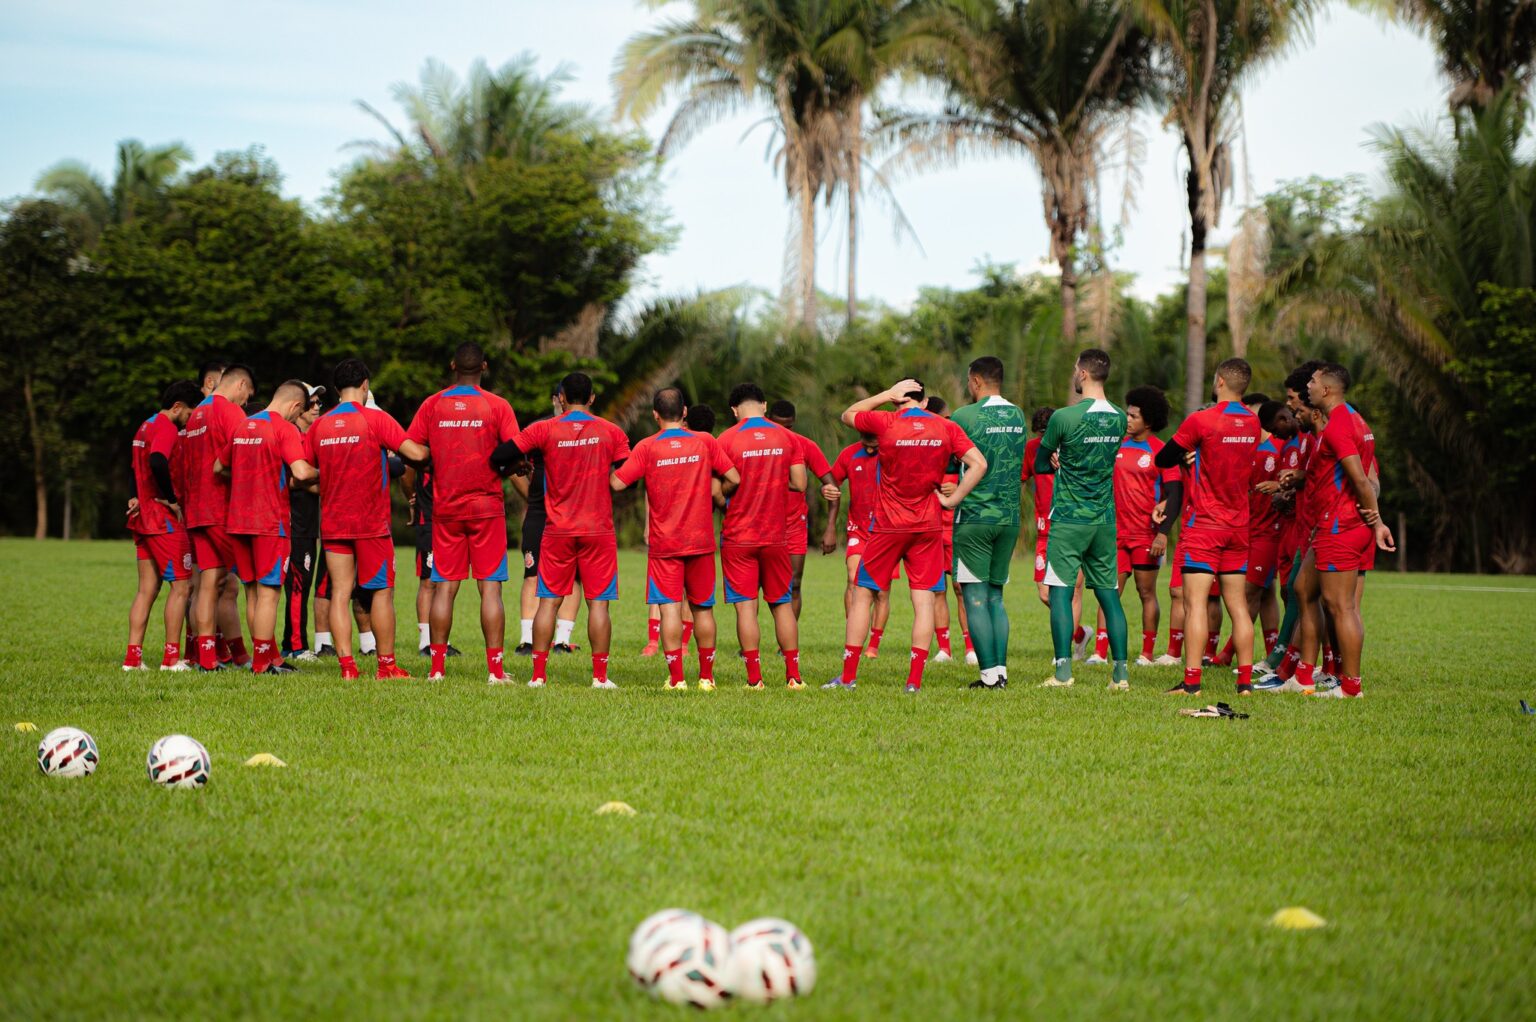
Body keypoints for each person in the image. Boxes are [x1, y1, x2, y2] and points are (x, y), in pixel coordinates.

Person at [830, 378, 985, 693]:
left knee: (862, 595)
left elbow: (848, 414)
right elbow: (979, 463)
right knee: (924, 601)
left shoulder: (886, 420)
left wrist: (886, 394)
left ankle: (847, 678)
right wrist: (954, 499)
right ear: (925, 402)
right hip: (927, 525)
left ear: (897, 400)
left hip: (888, 525)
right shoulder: (945, 427)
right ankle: (913, 682)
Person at [497, 372, 630, 688]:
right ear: (592, 398)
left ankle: (538, 676)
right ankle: (599, 678)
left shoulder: (544, 428)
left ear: (561, 398)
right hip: (597, 529)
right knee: (598, 604)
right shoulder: (611, 431)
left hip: (556, 529)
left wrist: (519, 466)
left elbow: (501, 454)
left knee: (548, 601)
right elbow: (628, 471)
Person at [305, 358, 427, 680]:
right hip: (371, 523)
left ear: (335, 389)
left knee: (341, 593)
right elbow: (413, 454)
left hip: (333, 522)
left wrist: (330, 487)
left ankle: (347, 669)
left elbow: (301, 475)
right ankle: (386, 667)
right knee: (382, 593)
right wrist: (432, 450)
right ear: (365, 385)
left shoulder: (320, 425)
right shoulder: (375, 419)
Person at [407, 343, 522, 683]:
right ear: (484, 366)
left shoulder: (432, 404)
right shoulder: (497, 406)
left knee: (444, 587)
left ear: (453, 364)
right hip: (486, 508)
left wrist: (428, 468)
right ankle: (496, 671)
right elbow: (513, 453)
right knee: (490, 589)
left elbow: (413, 450)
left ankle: (437, 670)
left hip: (446, 508)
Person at [612, 387, 740, 689]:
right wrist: (720, 496)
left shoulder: (646, 447)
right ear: (684, 413)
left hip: (664, 543)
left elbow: (618, 483)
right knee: (702, 609)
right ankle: (707, 679)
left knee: (669, 608)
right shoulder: (705, 441)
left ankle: (677, 679)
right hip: (701, 541)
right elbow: (734, 477)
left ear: (655, 415)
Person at [1154, 358, 1262, 695]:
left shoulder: (1202, 420)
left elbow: (1163, 459)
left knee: (1195, 604)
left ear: (1218, 382)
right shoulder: (1254, 423)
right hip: (1239, 526)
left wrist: (1191, 454)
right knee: (1238, 606)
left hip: (1205, 525)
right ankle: (1244, 683)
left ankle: (1192, 683)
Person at [1287, 364, 1394, 698]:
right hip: (1329, 524)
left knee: (1341, 606)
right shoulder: (1351, 421)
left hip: (1341, 525)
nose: (1308, 386)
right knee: (1304, 587)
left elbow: (1362, 480)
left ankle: (1350, 687)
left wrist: (1376, 523)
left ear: (1328, 390)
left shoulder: (1340, 427)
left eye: (1313, 382)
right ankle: (1303, 675)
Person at [1035, 350, 1132, 690]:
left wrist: (1058, 460)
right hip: (1104, 519)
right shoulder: (1120, 418)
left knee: (1060, 593)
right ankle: (1120, 674)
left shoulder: (1064, 417)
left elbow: (1041, 462)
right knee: (1109, 595)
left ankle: (1063, 672)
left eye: (1076, 369)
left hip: (1069, 519)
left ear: (1084, 373)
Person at [217, 379, 318, 675]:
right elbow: (301, 471)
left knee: (252, 593)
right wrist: (327, 472)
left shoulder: (242, 425)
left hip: (238, 520)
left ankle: (269, 657)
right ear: (296, 406)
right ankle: (262, 663)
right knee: (270, 594)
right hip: (269, 522)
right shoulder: (283, 428)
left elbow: (218, 467)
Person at [717, 383, 808, 689]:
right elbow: (800, 483)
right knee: (781, 604)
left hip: (738, 536)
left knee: (746, 606)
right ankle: (793, 677)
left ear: (734, 410)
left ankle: (755, 680)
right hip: (776, 535)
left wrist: (733, 488)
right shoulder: (787, 437)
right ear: (764, 405)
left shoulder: (726, 439)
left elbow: (718, 491)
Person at [947, 357, 1026, 689]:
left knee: (974, 596)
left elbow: (953, 459)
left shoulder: (964, 416)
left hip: (975, 516)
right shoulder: (1018, 415)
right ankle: (1001, 672)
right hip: (1009, 517)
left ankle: (988, 675)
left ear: (975, 380)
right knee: (995, 596)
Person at [1086, 385, 1176, 669]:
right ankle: (1100, 651)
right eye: (1127, 414)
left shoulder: (1160, 451)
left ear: (1148, 421)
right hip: (1113, 533)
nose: (1126, 419)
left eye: (1133, 415)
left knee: (1146, 592)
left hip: (1145, 535)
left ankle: (1147, 653)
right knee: (1108, 590)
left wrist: (1163, 533)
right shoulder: (1115, 445)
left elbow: (1174, 494)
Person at [123, 380, 204, 672]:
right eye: (189, 414)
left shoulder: (144, 425)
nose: (188, 421)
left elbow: (135, 468)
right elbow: (158, 460)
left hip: (142, 517)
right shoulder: (167, 428)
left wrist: (136, 495)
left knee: (147, 589)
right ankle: (171, 659)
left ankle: (133, 659)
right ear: (178, 407)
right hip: (162, 521)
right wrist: (171, 499)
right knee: (181, 587)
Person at [181, 363, 256, 671]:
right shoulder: (229, 412)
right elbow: (247, 454)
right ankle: (261, 656)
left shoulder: (197, 412)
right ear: (240, 385)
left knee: (210, 583)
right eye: (247, 396)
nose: (246, 403)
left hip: (196, 509)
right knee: (255, 582)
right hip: (221, 509)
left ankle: (208, 658)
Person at [1212, 398, 1297, 666]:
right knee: (1266, 593)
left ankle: (1227, 654)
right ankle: (1274, 651)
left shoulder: (1280, 447)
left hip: (1270, 532)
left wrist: (1279, 486)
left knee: (1249, 592)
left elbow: (1295, 479)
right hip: (1246, 530)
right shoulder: (1245, 448)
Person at [513, 390, 583, 657]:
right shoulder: (538, 430)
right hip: (539, 515)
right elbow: (512, 467)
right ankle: (527, 639)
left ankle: (562, 640)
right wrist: (532, 495)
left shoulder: (585, 432)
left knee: (572, 577)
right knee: (533, 574)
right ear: (555, 399)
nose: (562, 404)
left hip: (573, 516)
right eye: (559, 398)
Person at [820, 431, 892, 659]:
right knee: (853, 579)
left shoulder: (894, 452)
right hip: (858, 528)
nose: (870, 450)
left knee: (881, 591)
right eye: (866, 444)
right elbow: (832, 484)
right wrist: (827, 491)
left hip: (888, 529)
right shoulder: (849, 454)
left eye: (875, 445)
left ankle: (873, 645)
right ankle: (853, 639)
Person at [1024, 406, 1087, 652]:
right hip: (1044, 530)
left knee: (1072, 592)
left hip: (1072, 525)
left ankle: (1065, 650)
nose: (1045, 441)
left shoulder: (1075, 445)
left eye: (1047, 435)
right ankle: (1079, 634)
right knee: (1045, 594)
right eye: (1040, 435)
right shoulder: (1032, 449)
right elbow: (1020, 477)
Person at [767, 400, 836, 621]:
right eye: (779, 426)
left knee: (794, 583)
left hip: (795, 524)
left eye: (789, 427)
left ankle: (787, 643)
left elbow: (832, 485)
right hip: (764, 525)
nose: (784, 432)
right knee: (758, 588)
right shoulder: (758, 444)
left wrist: (830, 528)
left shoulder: (805, 445)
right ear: (769, 421)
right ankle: (750, 647)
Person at [923, 395, 976, 665]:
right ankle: (944, 648)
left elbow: (979, 476)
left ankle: (970, 648)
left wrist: (959, 490)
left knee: (961, 587)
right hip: (930, 527)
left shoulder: (960, 448)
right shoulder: (922, 448)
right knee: (936, 590)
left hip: (958, 527)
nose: (948, 423)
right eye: (944, 419)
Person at [281, 384, 324, 662]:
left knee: (304, 585)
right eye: (311, 403)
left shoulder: (308, 438)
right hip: (295, 526)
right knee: (297, 585)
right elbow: (293, 480)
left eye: (319, 402)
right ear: (297, 407)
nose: (317, 407)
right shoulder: (290, 437)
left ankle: (296, 643)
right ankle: (295, 646)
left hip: (308, 526)